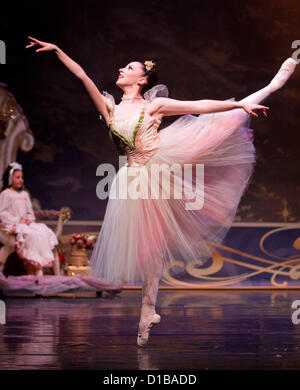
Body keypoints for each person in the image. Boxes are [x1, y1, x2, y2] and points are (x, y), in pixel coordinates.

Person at [25, 36, 297, 347]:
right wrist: (59, 51)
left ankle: (267, 88)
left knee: (216, 126)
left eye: (129, 67)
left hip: (161, 164)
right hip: (132, 177)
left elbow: (200, 106)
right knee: (148, 250)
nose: (121, 69)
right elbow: (82, 76)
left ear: (141, 79)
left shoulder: (155, 105)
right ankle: (147, 312)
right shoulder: (109, 106)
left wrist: (237, 102)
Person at [0, 162, 59, 276]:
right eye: (17, 177)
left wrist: (28, 219)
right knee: (29, 233)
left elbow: (30, 213)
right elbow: (2, 213)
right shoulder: (5, 194)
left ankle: (37, 265)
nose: (20, 180)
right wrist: (18, 220)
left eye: (21, 177)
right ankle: (33, 264)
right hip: (13, 224)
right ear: (10, 178)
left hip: (26, 223)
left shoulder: (24, 195)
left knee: (41, 230)